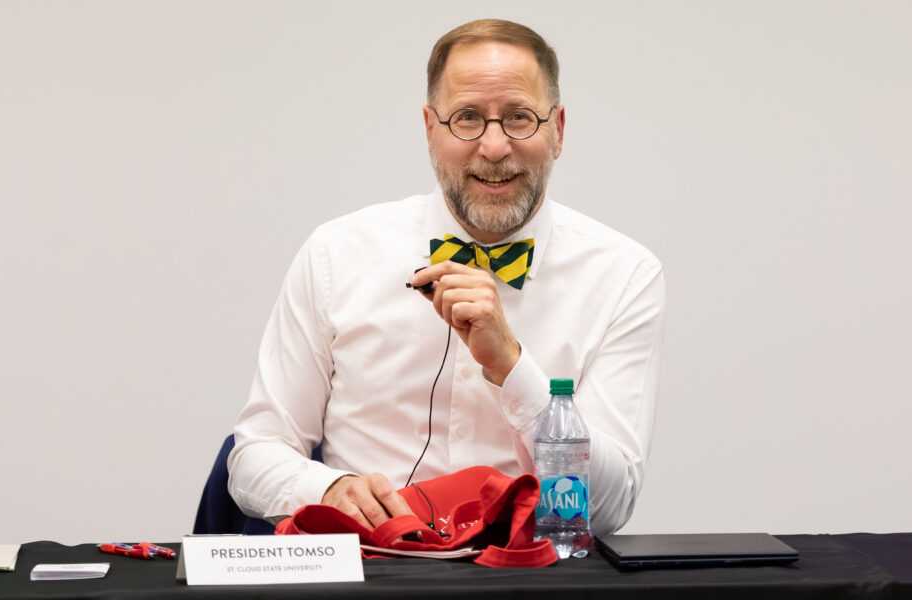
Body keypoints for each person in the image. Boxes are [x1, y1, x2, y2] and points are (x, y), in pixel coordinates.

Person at [228, 18, 666, 538]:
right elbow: (253, 456)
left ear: (559, 131)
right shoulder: (335, 254)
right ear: (430, 129)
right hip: (369, 573)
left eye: (521, 118)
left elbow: (611, 506)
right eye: (466, 119)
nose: (495, 146)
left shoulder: (625, 275)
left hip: (532, 577)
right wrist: (326, 490)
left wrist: (512, 365)